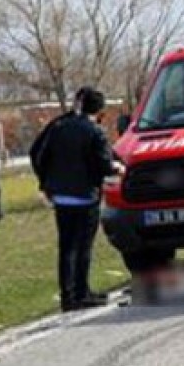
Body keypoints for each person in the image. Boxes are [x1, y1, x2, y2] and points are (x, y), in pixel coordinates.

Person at [30, 87, 125, 312]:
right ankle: (82, 292)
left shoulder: (59, 127)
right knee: (83, 247)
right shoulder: (95, 132)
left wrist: (47, 184)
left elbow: (39, 154)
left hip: (61, 197)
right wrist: (117, 167)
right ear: (100, 111)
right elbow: (103, 165)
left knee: (66, 247)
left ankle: (68, 295)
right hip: (85, 197)